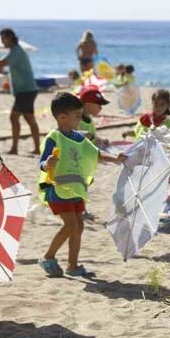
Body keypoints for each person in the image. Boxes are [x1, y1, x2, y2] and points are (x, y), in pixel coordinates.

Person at [38, 93, 125, 278]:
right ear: (62, 117)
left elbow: (96, 154)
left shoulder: (79, 138)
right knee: (70, 225)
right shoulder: (54, 137)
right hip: (58, 189)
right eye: (77, 115)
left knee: (79, 225)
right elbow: (43, 161)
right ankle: (48, 257)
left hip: (76, 190)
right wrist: (47, 163)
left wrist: (115, 159)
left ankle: (72, 265)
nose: (80, 119)